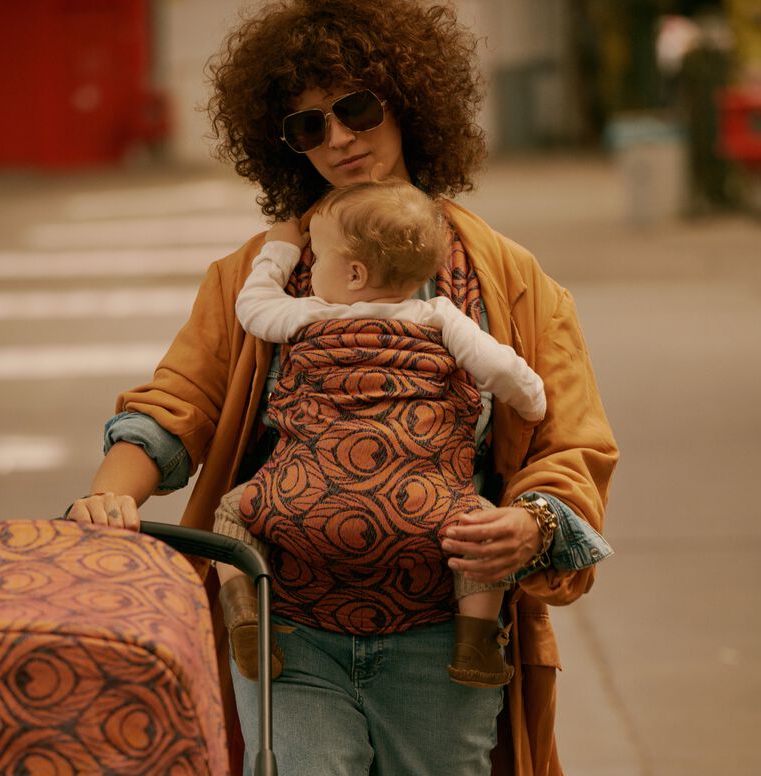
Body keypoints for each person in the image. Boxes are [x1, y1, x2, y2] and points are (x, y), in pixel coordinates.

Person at [64, 1, 618, 774]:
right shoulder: (256, 276)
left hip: (445, 648)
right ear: (284, 145)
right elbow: (176, 406)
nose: (340, 139)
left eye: (356, 108)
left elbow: (573, 445)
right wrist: (108, 499)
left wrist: (531, 525)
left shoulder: (515, 283)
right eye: (308, 126)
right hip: (287, 638)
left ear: (409, 101)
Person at [214, 177, 547, 690]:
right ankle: (475, 637)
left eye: (318, 256)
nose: (311, 266)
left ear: (353, 272)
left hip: (303, 499)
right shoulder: (441, 318)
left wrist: (279, 248)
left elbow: (253, 306)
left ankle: (244, 610)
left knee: (234, 511)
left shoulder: (309, 314)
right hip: (424, 508)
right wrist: (533, 401)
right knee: (480, 530)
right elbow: (504, 372)